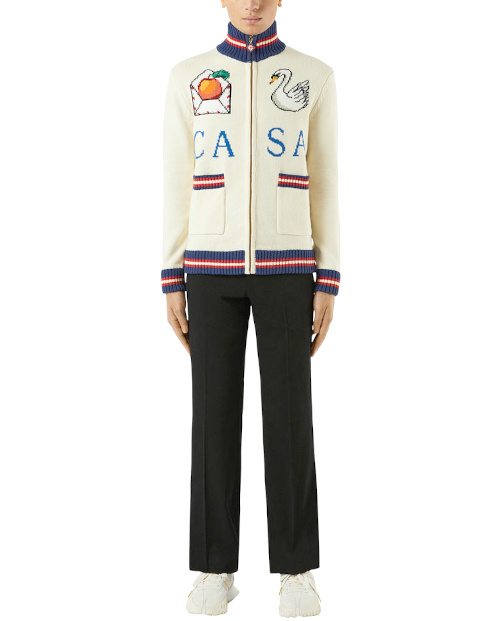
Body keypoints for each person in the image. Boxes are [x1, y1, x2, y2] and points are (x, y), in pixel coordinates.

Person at [161, 0, 341, 616]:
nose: (253, 3)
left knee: (290, 418)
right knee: (212, 417)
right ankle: (215, 568)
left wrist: (327, 276)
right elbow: (176, 177)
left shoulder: (314, 76)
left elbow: (325, 178)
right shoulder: (189, 77)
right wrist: (172, 274)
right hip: (208, 269)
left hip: (289, 267)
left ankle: (296, 569)